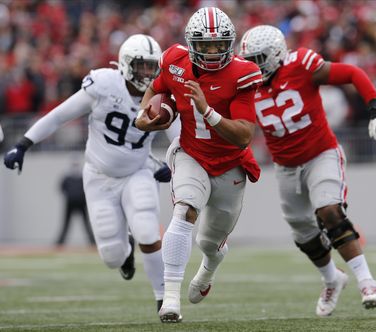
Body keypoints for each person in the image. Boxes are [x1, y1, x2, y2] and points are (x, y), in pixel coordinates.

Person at [4, 34, 180, 314]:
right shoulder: (103, 84)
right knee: (111, 255)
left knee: (148, 229)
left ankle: (164, 299)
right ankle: (125, 252)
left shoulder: (163, 96)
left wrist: (173, 166)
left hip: (138, 170)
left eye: (151, 67)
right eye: (141, 66)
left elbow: (179, 141)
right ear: (125, 65)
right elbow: (60, 115)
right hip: (99, 175)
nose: (147, 73)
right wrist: (23, 144)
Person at [239, 25, 376, 317]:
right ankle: (332, 279)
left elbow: (352, 73)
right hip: (285, 166)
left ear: (276, 54)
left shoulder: (301, 65)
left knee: (329, 211)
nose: (253, 67)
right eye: (249, 60)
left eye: (259, 59)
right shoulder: (246, 82)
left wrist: (375, 106)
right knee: (303, 232)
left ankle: (366, 280)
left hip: (321, 154)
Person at [135, 7, 263, 323]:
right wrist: (144, 115)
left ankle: (207, 271)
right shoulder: (175, 61)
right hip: (191, 153)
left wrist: (207, 111)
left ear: (229, 44)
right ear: (192, 44)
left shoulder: (242, 73)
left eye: (219, 45)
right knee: (185, 210)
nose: (213, 51)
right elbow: (156, 88)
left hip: (230, 163)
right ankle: (171, 299)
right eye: (205, 45)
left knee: (209, 241)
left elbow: (244, 136)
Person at [56, 160, 95, 246]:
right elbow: (62, 188)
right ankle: (59, 244)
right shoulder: (67, 177)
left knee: (86, 224)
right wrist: (70, 195)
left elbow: (88, 188)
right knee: (66, 224)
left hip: (82, 203)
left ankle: (93, 243)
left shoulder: (83, 177)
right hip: (70, 203)